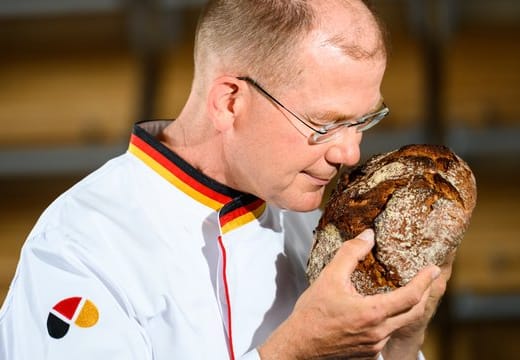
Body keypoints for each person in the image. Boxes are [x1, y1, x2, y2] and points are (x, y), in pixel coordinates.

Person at [0, 0, 453, 359]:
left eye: (363, 121)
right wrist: (296, 352)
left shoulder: (313, 228)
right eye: (324, 123)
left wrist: (400, 342)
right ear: (230, 103)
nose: (349, 153)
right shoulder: (78, 246)